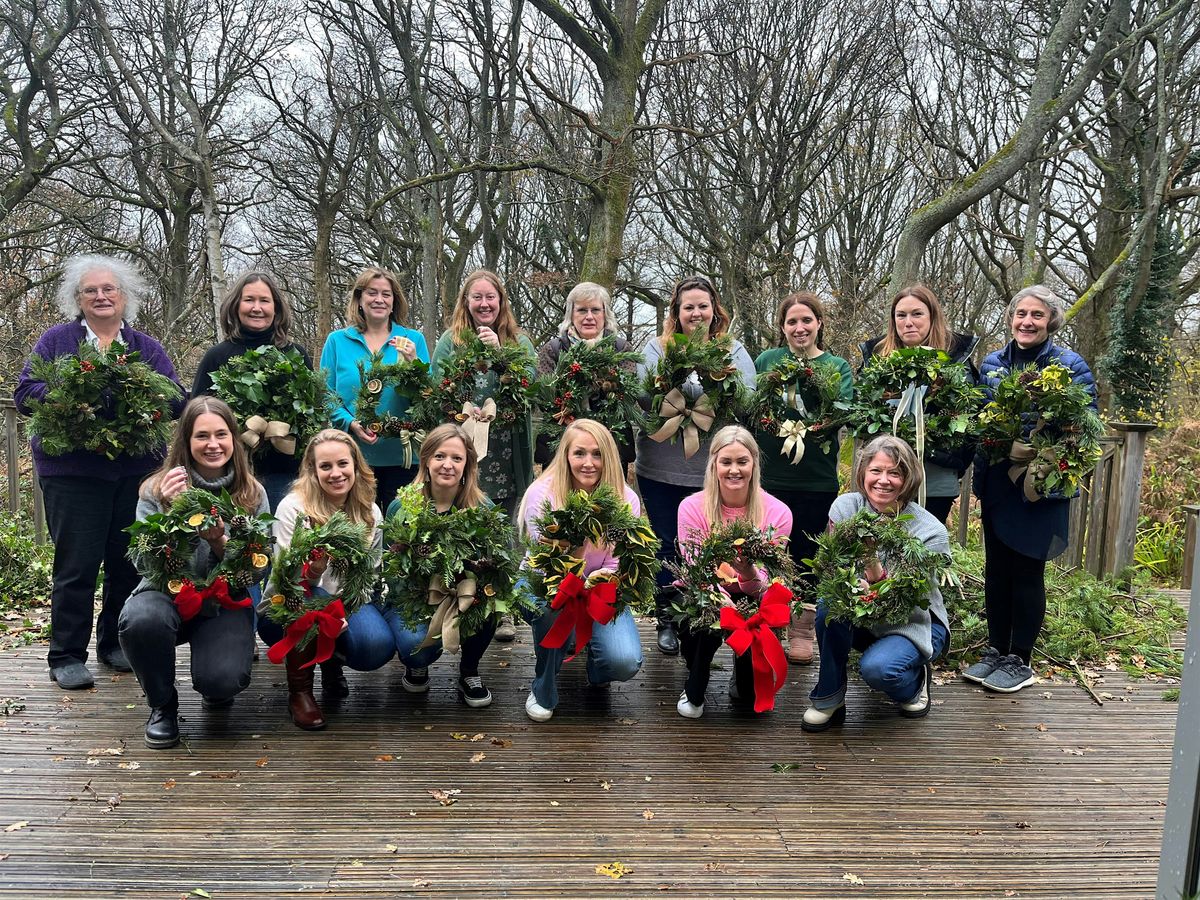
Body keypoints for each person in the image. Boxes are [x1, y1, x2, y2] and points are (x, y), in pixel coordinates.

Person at [15, 254, 184, 690]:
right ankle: (66, 654)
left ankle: (114, 644)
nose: (101, 295)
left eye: (109, 289)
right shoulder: (57, 341)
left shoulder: (145, 348)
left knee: (127, 562)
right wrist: (72, 392)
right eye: (91, 290)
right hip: (72, 473)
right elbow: (25, 392)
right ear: (78, 299)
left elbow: (177, 400)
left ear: (125, 297)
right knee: (76, 565)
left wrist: (139, 397)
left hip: (135, 472)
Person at [967, 285, 1097, 693]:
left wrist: (1042, 452)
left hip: (1041, 486)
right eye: (1020, 314)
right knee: (996, 570)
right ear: (1010, 319)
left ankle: (1020, 658)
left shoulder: (1070, 365)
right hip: (998, 484)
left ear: (1051, 322)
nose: (1027, 322)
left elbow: (1085, 427)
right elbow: (979, 420)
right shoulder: (992, 363)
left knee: (1027, 571)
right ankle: (995, 650)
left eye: (1037, 315)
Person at [118, 397, 267, 749]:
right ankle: (162, 704)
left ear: (234, 438)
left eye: (221, 434)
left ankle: (215, 687)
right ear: (186, 442)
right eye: (202, 436)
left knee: (222, 680)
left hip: (222, 599)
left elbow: (257, 569)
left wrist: (220, 545)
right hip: (166, 594)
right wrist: (171, 516)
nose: (212, 444)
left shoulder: (251, 493)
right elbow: (143, 563)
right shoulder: (157, 489)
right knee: (141, 619)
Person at [635, 275, 756, 656]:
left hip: (712, 472)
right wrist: (671, 394)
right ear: (676, 312)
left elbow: (747, 401)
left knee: (710, 544)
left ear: (714, 309)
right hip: (660, 468)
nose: (696, 313)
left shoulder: (732, 352)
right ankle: (668, 617)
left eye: (703, 305)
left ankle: (705, 614)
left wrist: (716, 390)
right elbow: (642, 396)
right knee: (667, 543)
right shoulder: (657, 349)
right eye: (688, 306)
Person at [802, 435, 950, 732]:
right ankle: (829, 697)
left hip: (914, 622)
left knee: (878, 670)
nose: (884, 480)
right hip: (862, 614)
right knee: (828, 605)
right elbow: (832, 569)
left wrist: (871, 565)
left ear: (908, 478)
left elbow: (908, 597)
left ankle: (915, 682)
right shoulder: (846, 508)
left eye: (894, 472)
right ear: (863, 473)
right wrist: (854, 586)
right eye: (876, 471)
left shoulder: (930, 531)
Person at [431, 270, 536, 643]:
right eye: (477, 297)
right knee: (465, 529)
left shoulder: (518, 342)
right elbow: (435, 387)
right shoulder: (450, 342)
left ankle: (502, 607)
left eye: (490, 297)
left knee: (504, 532)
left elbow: (533, 385)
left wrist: (501, 355)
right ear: (466, 303)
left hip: (506, 454)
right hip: (464, 453)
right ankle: (460, 600)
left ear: (501, 302)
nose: (484, 304)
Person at [259, 429, 384, 730]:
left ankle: (332, 662)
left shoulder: (370, 512)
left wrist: (343, 608)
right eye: (325, 466)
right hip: (291, 604)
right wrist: (314, 570)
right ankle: (300, 693)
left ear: (355, 465)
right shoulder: (293, 508)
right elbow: (285, 578)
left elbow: (372, 572)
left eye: (343, 464)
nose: (336, 473)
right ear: (312, 471)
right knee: (310, 608)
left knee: (374, 646)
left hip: (347, 601)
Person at [520, 419, 644, 722]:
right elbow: (544, 558)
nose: (589, 463)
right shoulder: (542, 494)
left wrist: (601, 580)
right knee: (553, 612)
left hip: (601, 587)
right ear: (566, 456)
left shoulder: (626, 499)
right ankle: (543, 686)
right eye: (579, 453)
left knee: (624, 661)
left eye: (597, 454)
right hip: (547, 582)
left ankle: (597, 666)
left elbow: (621, 558)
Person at [753, 292, 853, 665]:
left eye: (807, 320)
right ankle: (767, 621)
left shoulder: (836, 366)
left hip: (816, 478)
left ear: (819, 324)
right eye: (792, 321)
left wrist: (808, 424)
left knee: (808, 553)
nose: (800, 328)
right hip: (770, 476)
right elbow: (753, 405)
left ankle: (801, 627)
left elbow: (840, 410)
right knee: (768, 549)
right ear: (782, 327)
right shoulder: (767, 361)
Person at [675, 426, 793, 719]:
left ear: (754, 463)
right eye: (726, 462)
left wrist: (748, 572)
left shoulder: (778, 512)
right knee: (705, 626)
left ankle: (744, 677)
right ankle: (695, 687)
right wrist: (718, 599)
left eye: (742, 461)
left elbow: (770, 580)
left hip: (753, 596)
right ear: (714, 464)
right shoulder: (691, 507)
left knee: (749, 694)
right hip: (707, 593)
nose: (734, 470)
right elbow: (694, 567)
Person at [379, 424, 500, 708]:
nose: (448, 465)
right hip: (415, 598)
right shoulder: (402, 507)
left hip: (464, 595)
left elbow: (497, 563)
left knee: (493, 605)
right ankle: (416, 664)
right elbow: (391, 565)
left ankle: (469, 670)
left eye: (456, 459)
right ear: (426, 461)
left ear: (467, 464)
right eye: (440, 457)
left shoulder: (482, 508)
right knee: (415, 647)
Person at [191, 271, 313, 512]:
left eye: (264, 301)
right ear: (236, 306)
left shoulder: (295, 354)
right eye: (249, 300)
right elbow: (196, 414)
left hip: (285, 471)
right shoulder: (217, 357)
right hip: (229, 472)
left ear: (276, 308)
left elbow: (311, 413)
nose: (257, 308)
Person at [859, 284, 980, 525]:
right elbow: (861, 414)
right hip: (885, 480)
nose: (908, 322)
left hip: (934, 479)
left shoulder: (957, 360)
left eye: (917, 314)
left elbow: (968, 422)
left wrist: (952, 462)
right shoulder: (876, 358)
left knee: (923, 552)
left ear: (932, 317)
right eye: (901, 315)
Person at [321, 266, 429, 512]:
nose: (379, 299)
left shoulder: (413, 341)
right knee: (358, 532)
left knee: (401, 536)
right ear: (359, 299)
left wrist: (415, 364)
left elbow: (427, 396)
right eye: (371, 293)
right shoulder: (337, 341)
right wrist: (350, 423)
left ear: (394, 302)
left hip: (403, 459)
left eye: (386, 294)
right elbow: (326, 395)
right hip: (351, 460)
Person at [534, 282, 638, 466]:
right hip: (562, 444)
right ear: (571, 314)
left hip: (610, 443)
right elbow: (544, 399)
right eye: (582, 310)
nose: (589, 317)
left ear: (605, 314)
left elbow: (627, 396)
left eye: (595, 310)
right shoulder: (553, 350)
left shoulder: (621, 349)